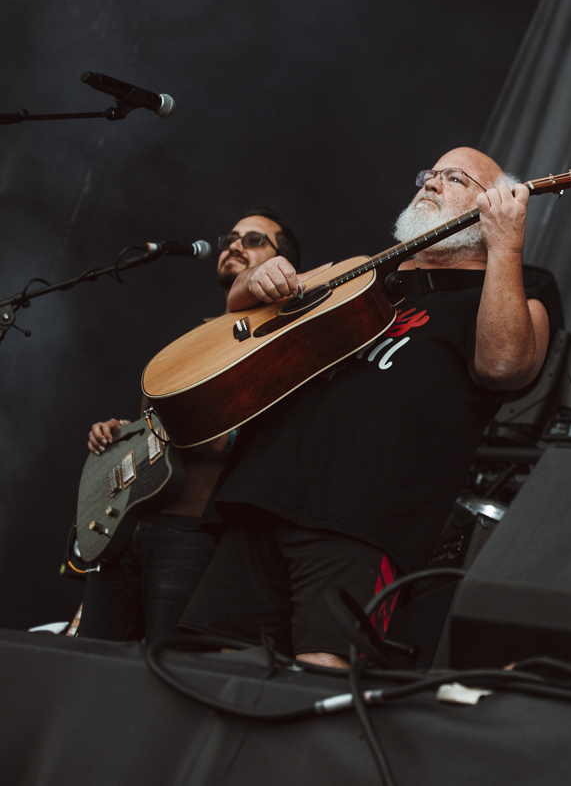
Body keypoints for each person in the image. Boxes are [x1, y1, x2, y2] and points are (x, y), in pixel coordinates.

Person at [180, 147, 549, 667]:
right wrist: (250, 283)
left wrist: (505, 246)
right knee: (221, 672)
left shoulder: (507, 299)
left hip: (364, 520)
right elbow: (240, 306)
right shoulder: (361, 277)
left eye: (455, 178)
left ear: (493, 205)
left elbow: (505, 365)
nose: (431, 183)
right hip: (265, 495)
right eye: (429, 174)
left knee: (321, 675)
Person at [77, 209, 302, 641]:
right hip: (129, 524)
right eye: (231, 237)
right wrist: (121, 435)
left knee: (168, 674)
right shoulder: (191, 340)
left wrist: (220, 434)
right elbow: (153, 427)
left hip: (194, 531)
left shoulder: (279, 342)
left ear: (282, 261)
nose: (234, 245)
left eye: (254, 239)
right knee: (89, 665)